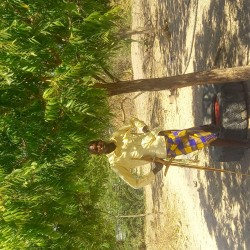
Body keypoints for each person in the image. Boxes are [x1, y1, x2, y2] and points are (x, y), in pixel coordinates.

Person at [88, 118, 250, 189]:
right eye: (96, 149)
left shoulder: (116, 135)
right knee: (202, 140)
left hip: (162, 135)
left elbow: (132, 121)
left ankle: (213, 128)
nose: (98, 147)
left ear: (100, 140)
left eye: (97, 144)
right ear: (99, 154)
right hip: (165, 151)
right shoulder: (116, 164)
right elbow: (135, 184)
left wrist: (143, 128)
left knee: (193, 133)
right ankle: (244, 144)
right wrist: (155, 171)